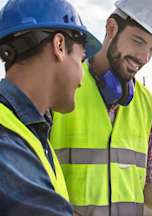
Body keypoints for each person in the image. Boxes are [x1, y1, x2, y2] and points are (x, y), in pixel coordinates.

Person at [50, 0, 152, 215]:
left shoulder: (147, 104)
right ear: (111, 28)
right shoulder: (60, 87)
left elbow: (148, 182)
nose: (144, 57)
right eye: (138, 41)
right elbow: (32, 180)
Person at [0, 0, 101, 215]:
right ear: (60, 46)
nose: (82, 79)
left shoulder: (30, 132)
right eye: (82, 59)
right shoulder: (6, 141)